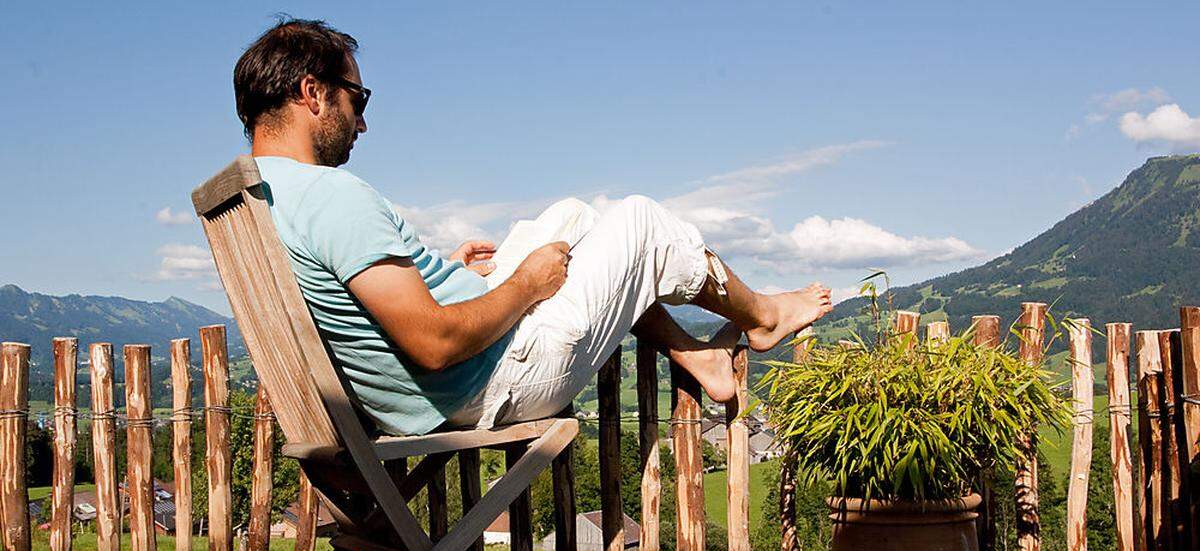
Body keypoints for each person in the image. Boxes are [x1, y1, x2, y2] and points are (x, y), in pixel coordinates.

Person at [233, 18, 833, 437]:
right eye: (358, 100)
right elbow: (433, 345)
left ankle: (695, 357)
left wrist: (442, 276)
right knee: (642, 222)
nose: (362, 124)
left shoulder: (263, 199)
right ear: (313, 93)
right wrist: (524, 285)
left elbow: (350, 299)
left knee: (575, 215)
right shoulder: (334, 197)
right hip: (492, 379)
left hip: (451, 378)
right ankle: (763, 319)